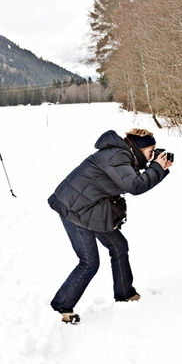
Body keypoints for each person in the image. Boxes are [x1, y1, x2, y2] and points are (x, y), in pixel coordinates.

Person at [48, 128, 173, 323]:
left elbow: (135, 182)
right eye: (151, 151)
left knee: (119, 246)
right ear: (139, 148)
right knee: (89, 262)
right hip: (74, 208)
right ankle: (60, 307)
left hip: (92, 208)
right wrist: (156, 168)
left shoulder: (123, 155)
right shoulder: (117, 156)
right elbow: (135, 186)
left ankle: (125, 294)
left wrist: (160, 169)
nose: (152, 155)